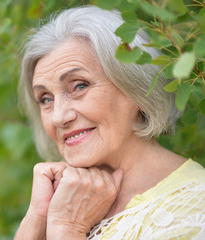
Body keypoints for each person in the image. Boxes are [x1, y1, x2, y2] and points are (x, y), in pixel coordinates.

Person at [14, 5, 205, 240]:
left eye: (79, 86)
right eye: (45, 99)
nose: (59, 117)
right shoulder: (63, 201)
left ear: (135, 87)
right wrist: (37, 219)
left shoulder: (194, 208)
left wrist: (67, 229)